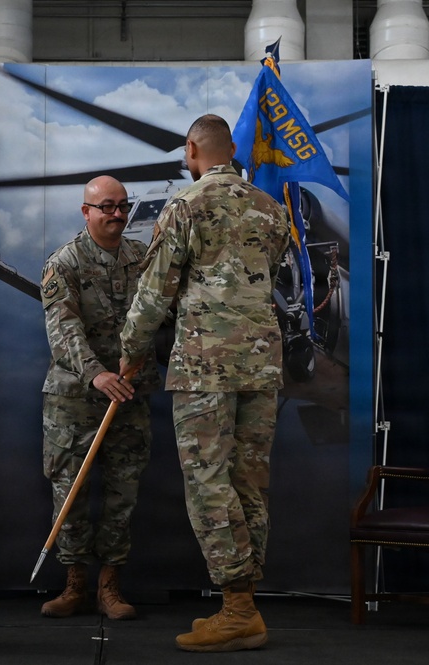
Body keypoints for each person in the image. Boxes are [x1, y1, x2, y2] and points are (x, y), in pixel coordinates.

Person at [118, 114, 290, 652]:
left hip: (205, 365)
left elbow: (155, 292)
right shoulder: (272, 209)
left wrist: (129, 351)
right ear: (233, 150)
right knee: (248, 480)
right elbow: (272, 270)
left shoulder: (185, 207)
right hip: (261, 363)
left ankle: (237, 609)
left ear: (193, 149)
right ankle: (244, 603)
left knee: (209, 482)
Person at [38, 175, 161, 620]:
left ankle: (110, 586)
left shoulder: (142, 260)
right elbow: (63, 330)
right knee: (69, 493)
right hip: (74, 400)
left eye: (123, 206)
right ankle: (74, 584)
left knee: (122, 492)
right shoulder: (64, 263)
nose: (117, 214)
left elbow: (160, 320)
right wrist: (96, 373)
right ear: (86, 212)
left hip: (129, 397)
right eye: (106, 206)